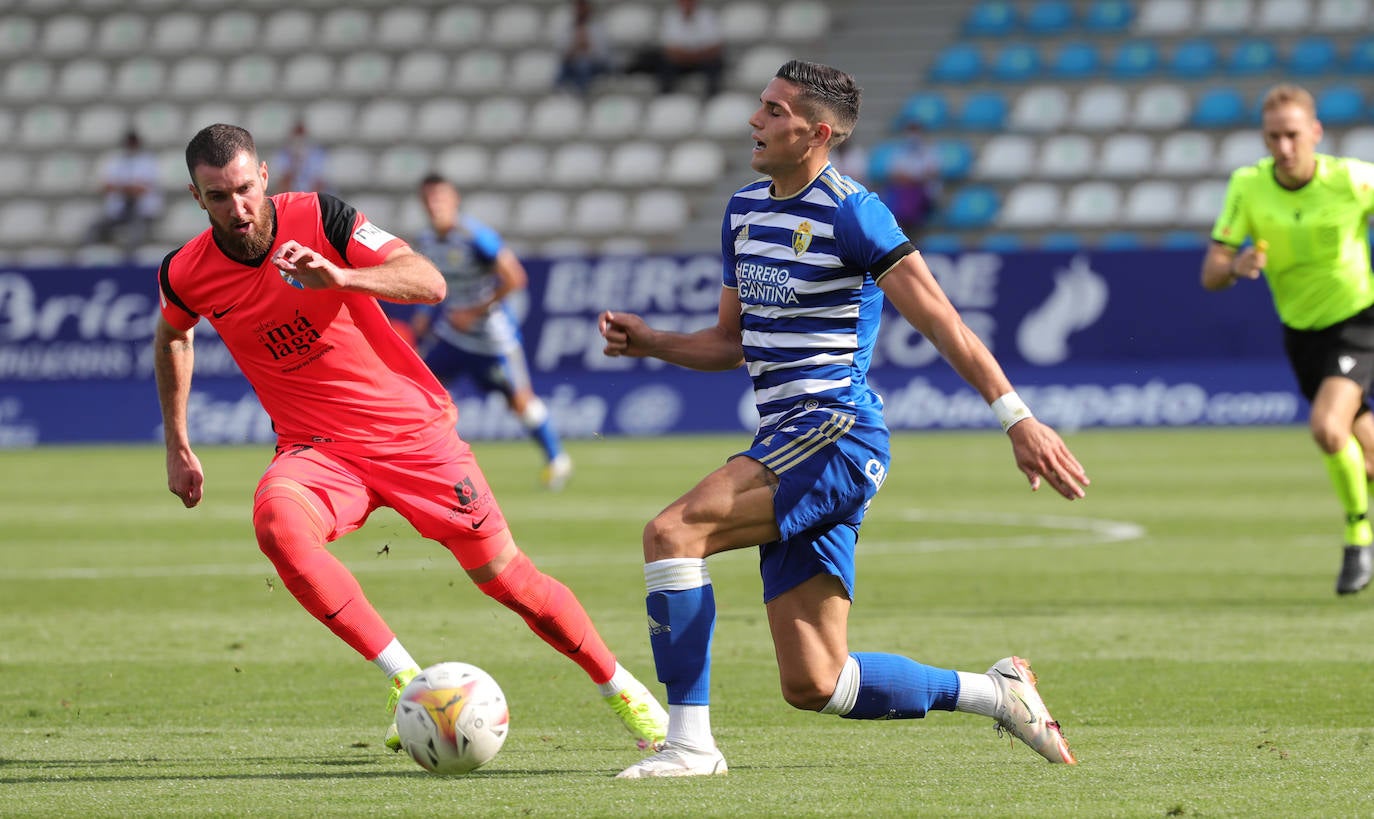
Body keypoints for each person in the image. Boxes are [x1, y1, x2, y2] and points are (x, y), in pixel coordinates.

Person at [597, 60, 1089, 778]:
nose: (754, 121)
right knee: (816, 682)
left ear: (816, 131)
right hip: (785, 439)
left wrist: (1017, 417)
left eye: (772, 111)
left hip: (836, 431)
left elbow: (942, 319)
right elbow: (732, 342)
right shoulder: (744, 210)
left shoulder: (854, 211)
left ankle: (689, 746)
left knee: (673, 532)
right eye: (759, 106)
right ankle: (996, 691)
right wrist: (653, 342)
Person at [153, 124, 665, 760]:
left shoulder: (322, 217)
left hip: (412, 437)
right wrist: (178, 442)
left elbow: (427, 281)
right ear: (196, 198)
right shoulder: (186, 271)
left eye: (245, 189)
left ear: (264, 176)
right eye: (219, 196)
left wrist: (340, 278)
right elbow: (174, 334)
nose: (238, 208)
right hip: (319, 451)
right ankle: (405, 685)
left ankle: (620, 687)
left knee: (510, 581)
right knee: (277, 523)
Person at [1202, 83, 1374, 596]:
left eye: (1294, 135)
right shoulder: (1248, 187)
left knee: (1326, 427)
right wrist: (1236, 265)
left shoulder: (1351, 180)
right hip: (1301, 333)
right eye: (1274, 137)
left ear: (1316, 133)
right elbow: (1210, 272)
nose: (1284, 147)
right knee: (1362, 450)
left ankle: (1356, 536)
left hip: (1359, 321)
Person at [410, 173, 573, 490]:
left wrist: (473, 311)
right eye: (429, 200)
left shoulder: (475, 237)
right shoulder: (427, 241)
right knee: (418, 387)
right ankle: (418, 463)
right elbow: (431, 283)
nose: (435, 205)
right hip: (453, 337)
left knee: (520, 403)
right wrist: (423, 312)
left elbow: (515, 278)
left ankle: (557, 459)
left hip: (492, 340)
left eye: (440, 198)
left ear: (454, 200)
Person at [88, 129, 163, 256]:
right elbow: (104, 187)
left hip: (141, 211)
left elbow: (140, 190)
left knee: (134, 235)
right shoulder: (114, 160)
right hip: (118, 210)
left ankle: (128, 267)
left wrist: (119, 187)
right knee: (94, 229)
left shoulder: (148, 161)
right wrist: (128, 188)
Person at [878, 121, 941, 241]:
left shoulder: (929, 153)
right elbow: (895, 176)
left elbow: (930, 174)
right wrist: (914, 178)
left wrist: (911, 179)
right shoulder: (899, 153)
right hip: (904, 194)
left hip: (924, 197)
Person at [655, 0, 725, 97]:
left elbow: (715, 45)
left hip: (703, 60)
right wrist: (689, 55)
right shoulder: (671, 16)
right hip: (680, 60)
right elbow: (669, 48)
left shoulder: (708, 16)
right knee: (664, 65)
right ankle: (666, 97)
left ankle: (712, 97)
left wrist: (692, 55)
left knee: (715, 64)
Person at [554, 0, 615, 96]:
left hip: (595, 65)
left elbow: (603, 56)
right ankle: (557, 95)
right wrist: (575, 46)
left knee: (583, 65)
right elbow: (563, 55)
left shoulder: (598, 29)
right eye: (578, 7)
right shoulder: (568, 29)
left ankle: (582, 96)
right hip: (572, 64)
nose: (580, 10)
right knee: (561, 71)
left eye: (582, 7)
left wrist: (588, 46)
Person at [269, 119, 329, 195]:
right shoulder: (282, 155)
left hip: (312, 198)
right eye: (296, 135)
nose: (299, 140)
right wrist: (294, 161)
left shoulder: (317, 154)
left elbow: (320, 183)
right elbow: (282, 183)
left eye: (301, 135)